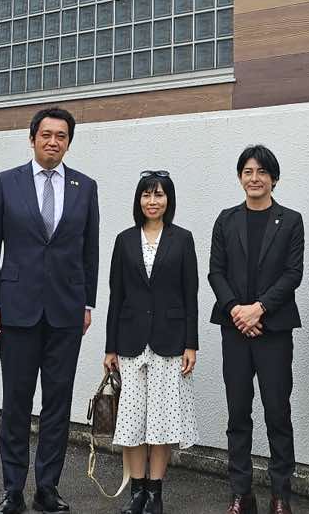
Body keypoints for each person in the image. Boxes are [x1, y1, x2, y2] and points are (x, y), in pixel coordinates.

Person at [0, 107, 100, 514]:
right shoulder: (6, 183)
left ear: (69, 142)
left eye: (61, 136)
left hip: (66, 310)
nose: (53, 142)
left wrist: (87, 303)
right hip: (17, 309)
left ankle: (47, 487)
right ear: (32, 139)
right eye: (46, 134)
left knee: (58, 403)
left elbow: (89, 251)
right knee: (16, 401)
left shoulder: (85, 187)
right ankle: (12, 489)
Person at [207, 145, 305, 514]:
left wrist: (259, 309)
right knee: (238, 413)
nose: (255, 178)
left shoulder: (290, 220)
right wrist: (236, 310)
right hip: (234, 330)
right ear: (240, 177)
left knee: (277, 412)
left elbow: (292, 274)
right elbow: (216, 271)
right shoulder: (226, 219)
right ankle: (241, 493)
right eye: (248, 172)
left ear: (273, 178)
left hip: (273, 329)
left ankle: (281, 495)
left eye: (262, 172)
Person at [103, 171, 201, 514]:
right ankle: (137, 492)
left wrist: (191, 344)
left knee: (163, 419)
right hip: (130, 341)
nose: (152, 201)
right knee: (131, 420)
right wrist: (110, 347)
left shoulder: (182, 239)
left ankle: (155, 493)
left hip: (170, 341)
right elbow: (116, 296)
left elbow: (191, 295)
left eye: (159, 195)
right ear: (139, 200)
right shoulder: (124, 240)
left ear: (168, 200)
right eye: (146, 195)